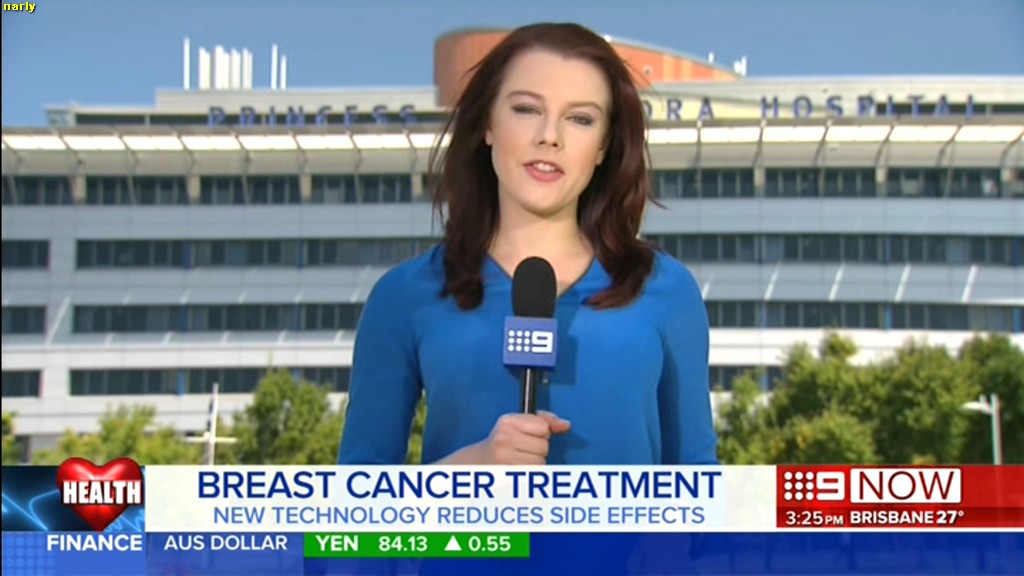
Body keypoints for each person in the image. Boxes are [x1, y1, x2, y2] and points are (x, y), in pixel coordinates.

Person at [337, 22, 718, 467]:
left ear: (603, 146)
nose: (549, 136)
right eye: (526, 109)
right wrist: (469, 470)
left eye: (580, 118)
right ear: (488, 124)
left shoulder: (666, 289)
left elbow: (699, 478)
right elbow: (358, 498)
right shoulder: (404, 295)